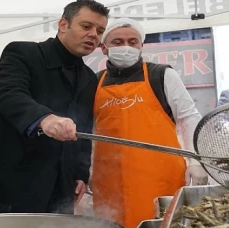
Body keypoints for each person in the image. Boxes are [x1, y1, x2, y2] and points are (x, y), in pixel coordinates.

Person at [91, 18, 208, 228]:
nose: (126, 47)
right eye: (117, 42)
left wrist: (195, 161)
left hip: (159, 178)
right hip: (109, 183)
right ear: (104, 48)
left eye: (132, 41)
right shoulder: (94, 82)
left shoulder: (162, 75)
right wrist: (86, 172)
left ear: (141, 46)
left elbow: (188, 117)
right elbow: (87, 132)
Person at [0, 0, 109, 214]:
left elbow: (83, 129)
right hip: (13, 182)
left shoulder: (88, 78)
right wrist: (45, 119)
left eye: (100, 30)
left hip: (62, 188)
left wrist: (80, 173)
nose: (94, 34)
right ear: (63, 25)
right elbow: (8, 93)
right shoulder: (23, 53)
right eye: (86, 26)